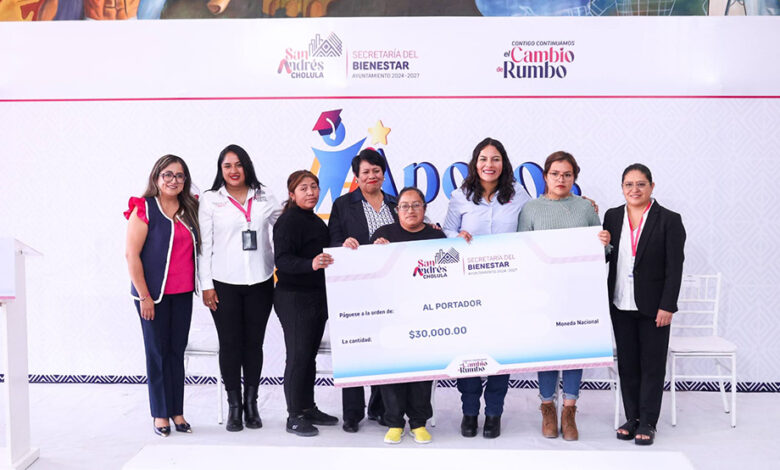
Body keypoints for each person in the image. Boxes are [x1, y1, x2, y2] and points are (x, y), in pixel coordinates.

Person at [517, 151, 610, 441]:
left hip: (578, 292)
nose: (561, 179)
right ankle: (547, 407)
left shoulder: (585, 208)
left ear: (574, 178)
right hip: (542, 293)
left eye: (567, 175)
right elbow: (521, 250)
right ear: (545, 176)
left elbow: (602, 252)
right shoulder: (530, 209)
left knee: (574, 349)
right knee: (547, 350)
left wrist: (605, 242)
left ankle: (569, 410)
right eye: (556, 174)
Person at [442, 137, 531, 439]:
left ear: (503, 163)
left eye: (495, 159)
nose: (489, 164)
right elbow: (447, 230)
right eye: (483, 159)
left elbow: (533, 225)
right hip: (466, 287)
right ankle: (469, 411)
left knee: (500, 350)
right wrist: (456, 237)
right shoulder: (460, 196)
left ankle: (494, 412)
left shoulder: (519, 195)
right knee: (467, 349)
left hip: (506, 288)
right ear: (475, 163)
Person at [198, 144, 281, 432]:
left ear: (247, 166)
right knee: (230, 344)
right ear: (220, 170)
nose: (233, 171)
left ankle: (251, 403)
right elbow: (204, 246)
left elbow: (286, 224)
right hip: (223, 284)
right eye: (227, 166)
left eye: (238, 164)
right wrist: (206, 285)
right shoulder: (211, 200)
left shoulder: (264, 195)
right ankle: (234, 405)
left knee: (253, 345)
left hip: (261, 281)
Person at [603, 163, 685, 446]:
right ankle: (632, 418)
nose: (634, 189)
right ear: (622, 187)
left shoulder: (669, 220)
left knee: (652, 365)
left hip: (654, 307)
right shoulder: (612, 216)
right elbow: (606, 255)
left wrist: (668, 305)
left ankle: (648, 422)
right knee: (628, 364)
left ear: (651, 186)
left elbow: (675, 268)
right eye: (629, 184)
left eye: (641, 184)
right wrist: (600, 244)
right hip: (620, 302)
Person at [124, 154, 200, 437]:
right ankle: (160, 413)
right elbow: (131, 255)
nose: (173, 180)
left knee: (176, 352)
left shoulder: (190, 208)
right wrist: (144, 296)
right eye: (167, 174)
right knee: (157, 352)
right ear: (156, 178)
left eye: (179, 175)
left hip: (182, 293)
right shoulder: (144, 208)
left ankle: (177, 411)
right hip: (152, 295)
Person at [328, 148, 397, 432]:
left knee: (384, 347)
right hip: (353, 289)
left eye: (376, 171)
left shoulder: (396, 203)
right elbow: (332, 241)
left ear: (383, 174)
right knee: (354, 349)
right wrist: (343, 245)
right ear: (356, 177)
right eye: (365, 172)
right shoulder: (343, 205)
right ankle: (352, 413)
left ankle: (379, 408)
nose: (371, 176)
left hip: (389, 289)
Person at [371, 187, 446, 445]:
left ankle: (418, 422)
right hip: (391, 315)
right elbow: (370, 273)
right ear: (397, 210)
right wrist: (373, 251)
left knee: (422, 368)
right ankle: (394, 422)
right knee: (392, 369)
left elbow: (451, 268)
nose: (410, 210)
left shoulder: (436, 237)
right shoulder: (383, 235)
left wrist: (461, 242)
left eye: (416, 205)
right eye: (405, 205)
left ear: (424, 208)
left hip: (426, 315)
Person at [273, 170, 339, 437]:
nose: (310, 192)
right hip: (294, 297)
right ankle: (294, 415)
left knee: (309, 356)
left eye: (314, 187)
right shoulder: (288, 221)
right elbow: (282, 260)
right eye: (303, 188)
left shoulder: (315, 220)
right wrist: (310, 264)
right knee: (298, 356)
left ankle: (308, 407)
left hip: (316, 296)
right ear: (292, 194)